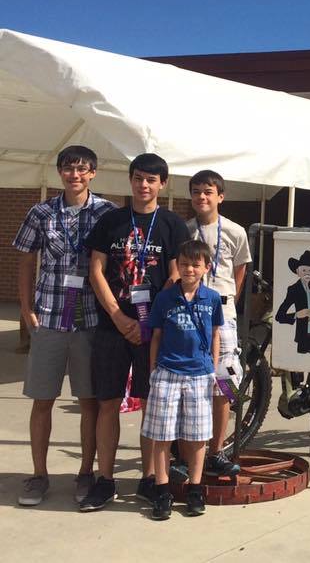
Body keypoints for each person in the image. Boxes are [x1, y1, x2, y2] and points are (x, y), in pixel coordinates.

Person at [81, 153, 190, 511]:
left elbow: (176, 275)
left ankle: (149, 478)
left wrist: (147, 322)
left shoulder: (173, 224)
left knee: (151, 404)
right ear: (130, 180)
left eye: (151, 180)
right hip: (112, 327)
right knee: (107, 401)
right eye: (138, 178)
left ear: (162, 184)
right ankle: (105, 479)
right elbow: (96, 270)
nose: (144, 185)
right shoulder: (110, 221)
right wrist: (117, 316)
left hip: (154, 330)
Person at [14, 146, 116, 506]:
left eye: (82, 169)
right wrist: (27, 311)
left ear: (93, 173)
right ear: (60, 173)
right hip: (51, 317)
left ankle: (85, 472)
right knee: (43, 400)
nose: (75, 174)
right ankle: (39, 475)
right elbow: (26, 261)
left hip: (90, 320)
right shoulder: (41, 212)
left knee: (89, 402)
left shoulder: (107, 213)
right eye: (68, 169)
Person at [143, 239, 223, 520]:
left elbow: (215, 334)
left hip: (200, 373)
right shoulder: (165, 298)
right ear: (177, 264)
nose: (189, 269)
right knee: (162, 434)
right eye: (184, 263)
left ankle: (195, 488)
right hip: (167, 372)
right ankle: (162, 490)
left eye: (195, 264)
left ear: (206, 267)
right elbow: (156, 336)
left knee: (198, 435)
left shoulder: (212, 298)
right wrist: (154, 371)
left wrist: (213, 368)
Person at [185, 170, 251, 478]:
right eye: (196, 191)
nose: (202, 197)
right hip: (191, 311)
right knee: (191, 380)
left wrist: (229, 302)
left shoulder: (235, 232)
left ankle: (217, 450)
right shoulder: (185, 230)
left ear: (220, 196)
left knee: (223, 383)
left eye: (208, 192)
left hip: (222, 311)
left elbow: (240, 269)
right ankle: (188, 451)